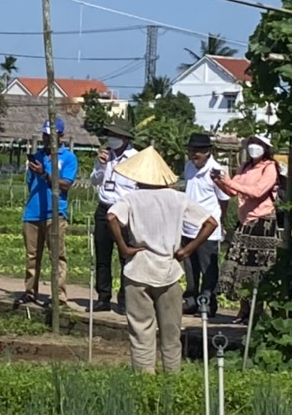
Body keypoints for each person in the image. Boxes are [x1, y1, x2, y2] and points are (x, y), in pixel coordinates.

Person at [107, 147, 217, 373]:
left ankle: (144, 377)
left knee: (141, 331)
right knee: (171, 332)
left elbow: (111, 217)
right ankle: (172, 377)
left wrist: (124, 247)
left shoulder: (131, 198)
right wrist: (187, 250)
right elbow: (211, 223)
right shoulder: (178, 198)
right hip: (168, 271)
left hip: (138, 269)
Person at [213, 134, 280, 322]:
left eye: (259, 144)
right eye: (252, 143)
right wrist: (219, 181)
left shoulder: (270, 167)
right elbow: (234, 190)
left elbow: (258, 191)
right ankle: (243, 309)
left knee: (257, 267)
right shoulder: (245, 167)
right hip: (245, 221)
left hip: (262, 221)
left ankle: (256, 311)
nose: (254, 147)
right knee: (238, 264)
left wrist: (229, 181)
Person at [15, 119, 78, 308]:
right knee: (32, 255)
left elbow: (66, 184)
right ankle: (30, 291)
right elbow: (29, 183)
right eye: (44, 135)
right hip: (33, 212)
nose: (46, 138)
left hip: (54, 212)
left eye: (50, 136)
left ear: (60, 136)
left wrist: (45, 174)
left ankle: (59, 295)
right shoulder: (38, 157)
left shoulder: (67, 158)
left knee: (56, 255)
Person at [88, 119, 138, 312]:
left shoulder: (135, 158)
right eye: (110, 135)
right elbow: (94, 181)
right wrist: (100, 165)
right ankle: (103, 296)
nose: (112, 139)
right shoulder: (105, 155)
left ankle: (125, 299)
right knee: (102, 255)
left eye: (116, 135)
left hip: (125, 210)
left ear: (125, 137)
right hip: (104, 207)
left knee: (126, 255)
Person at [181, 132, 229, 317]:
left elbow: (223, 200)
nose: (194, 155)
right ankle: (191, 300)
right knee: (191, 269)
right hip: (188, 227)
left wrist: (219, 220)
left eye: (198, 152)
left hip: (208, 229)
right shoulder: (188, 167)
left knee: (208, 268)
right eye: (191, 151)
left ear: (207, 152)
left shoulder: (216, 171)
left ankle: (208, 303)